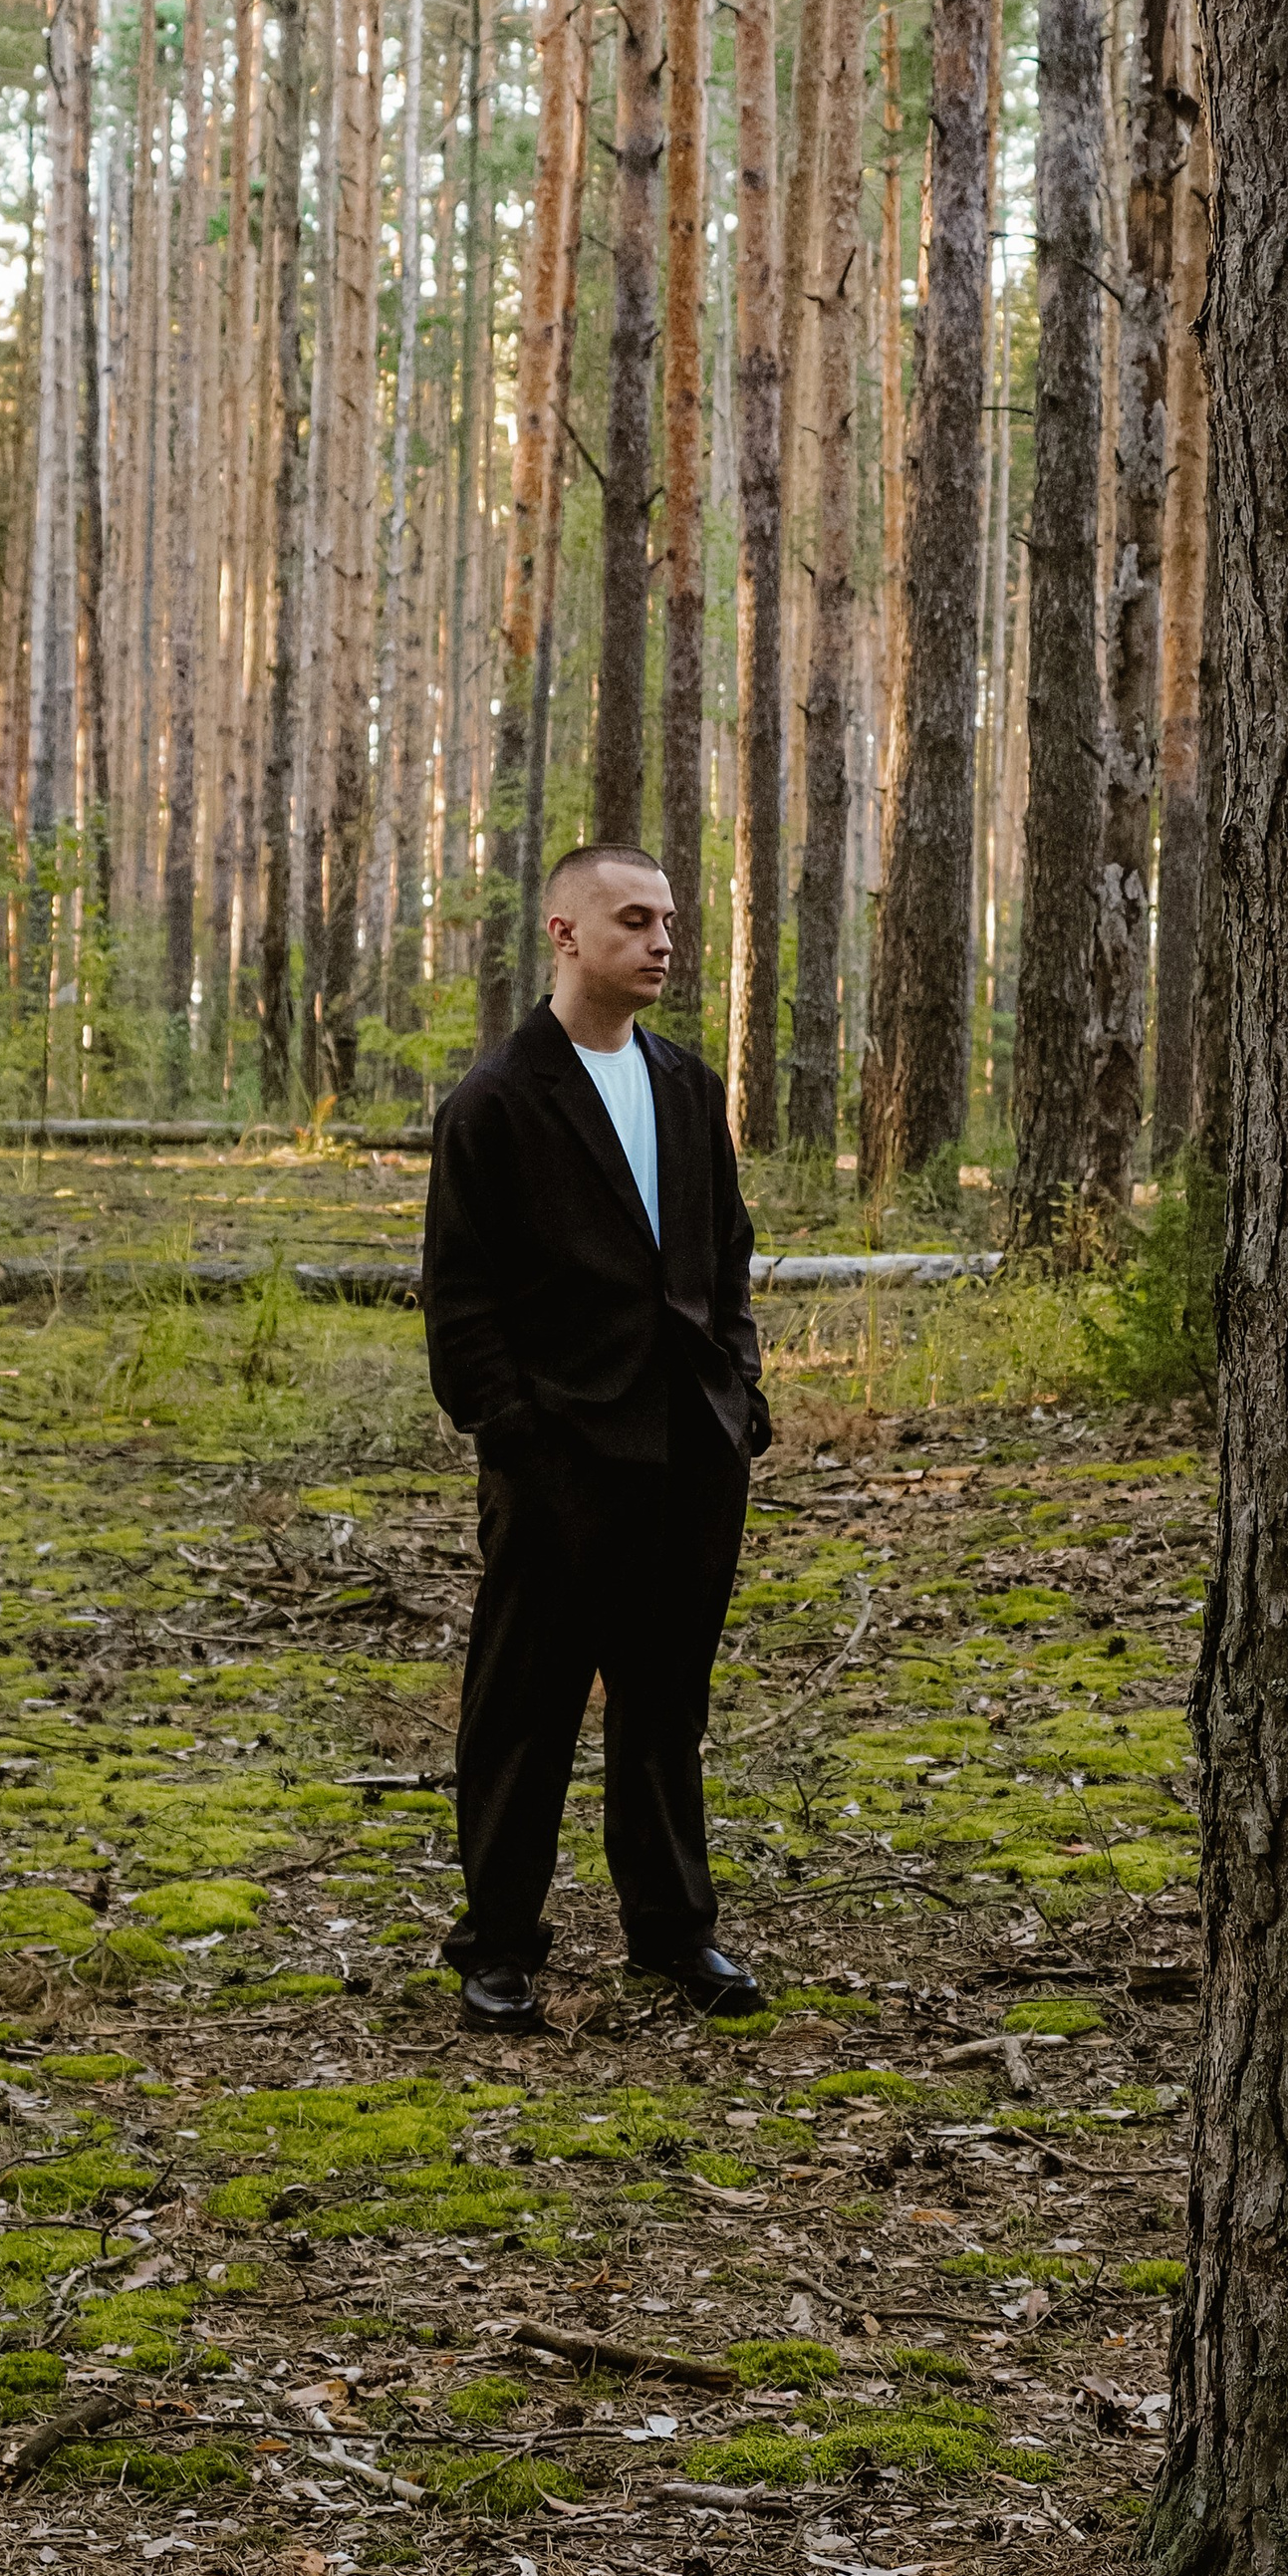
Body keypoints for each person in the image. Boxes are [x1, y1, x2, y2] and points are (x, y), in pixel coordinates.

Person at [419, 843, 772, 2034]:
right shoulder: (496, 1099)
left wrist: (737, 1390)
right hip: (557, 1460)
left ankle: (673, 1931)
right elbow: (459, 1299)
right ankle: (497, 1945)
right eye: (634, 919)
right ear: (564, 933)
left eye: (668, 919)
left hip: (690, 1450)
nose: (662, 940)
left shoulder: (686, 1085)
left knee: (665, 1704)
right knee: (524, 1705)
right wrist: (516, 1435)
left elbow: (726, 1255)